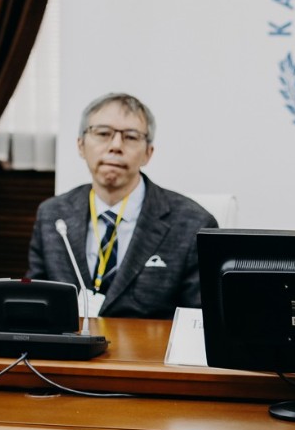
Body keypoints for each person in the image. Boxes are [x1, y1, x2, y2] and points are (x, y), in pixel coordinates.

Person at [27, 93, 217, 318]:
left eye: (131, 137)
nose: (116, 146)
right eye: (102, 133)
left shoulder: (193, 224)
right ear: (81, 146)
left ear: (148, 153)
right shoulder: (52, 214)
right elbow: (35, 304)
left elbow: (200, 322)